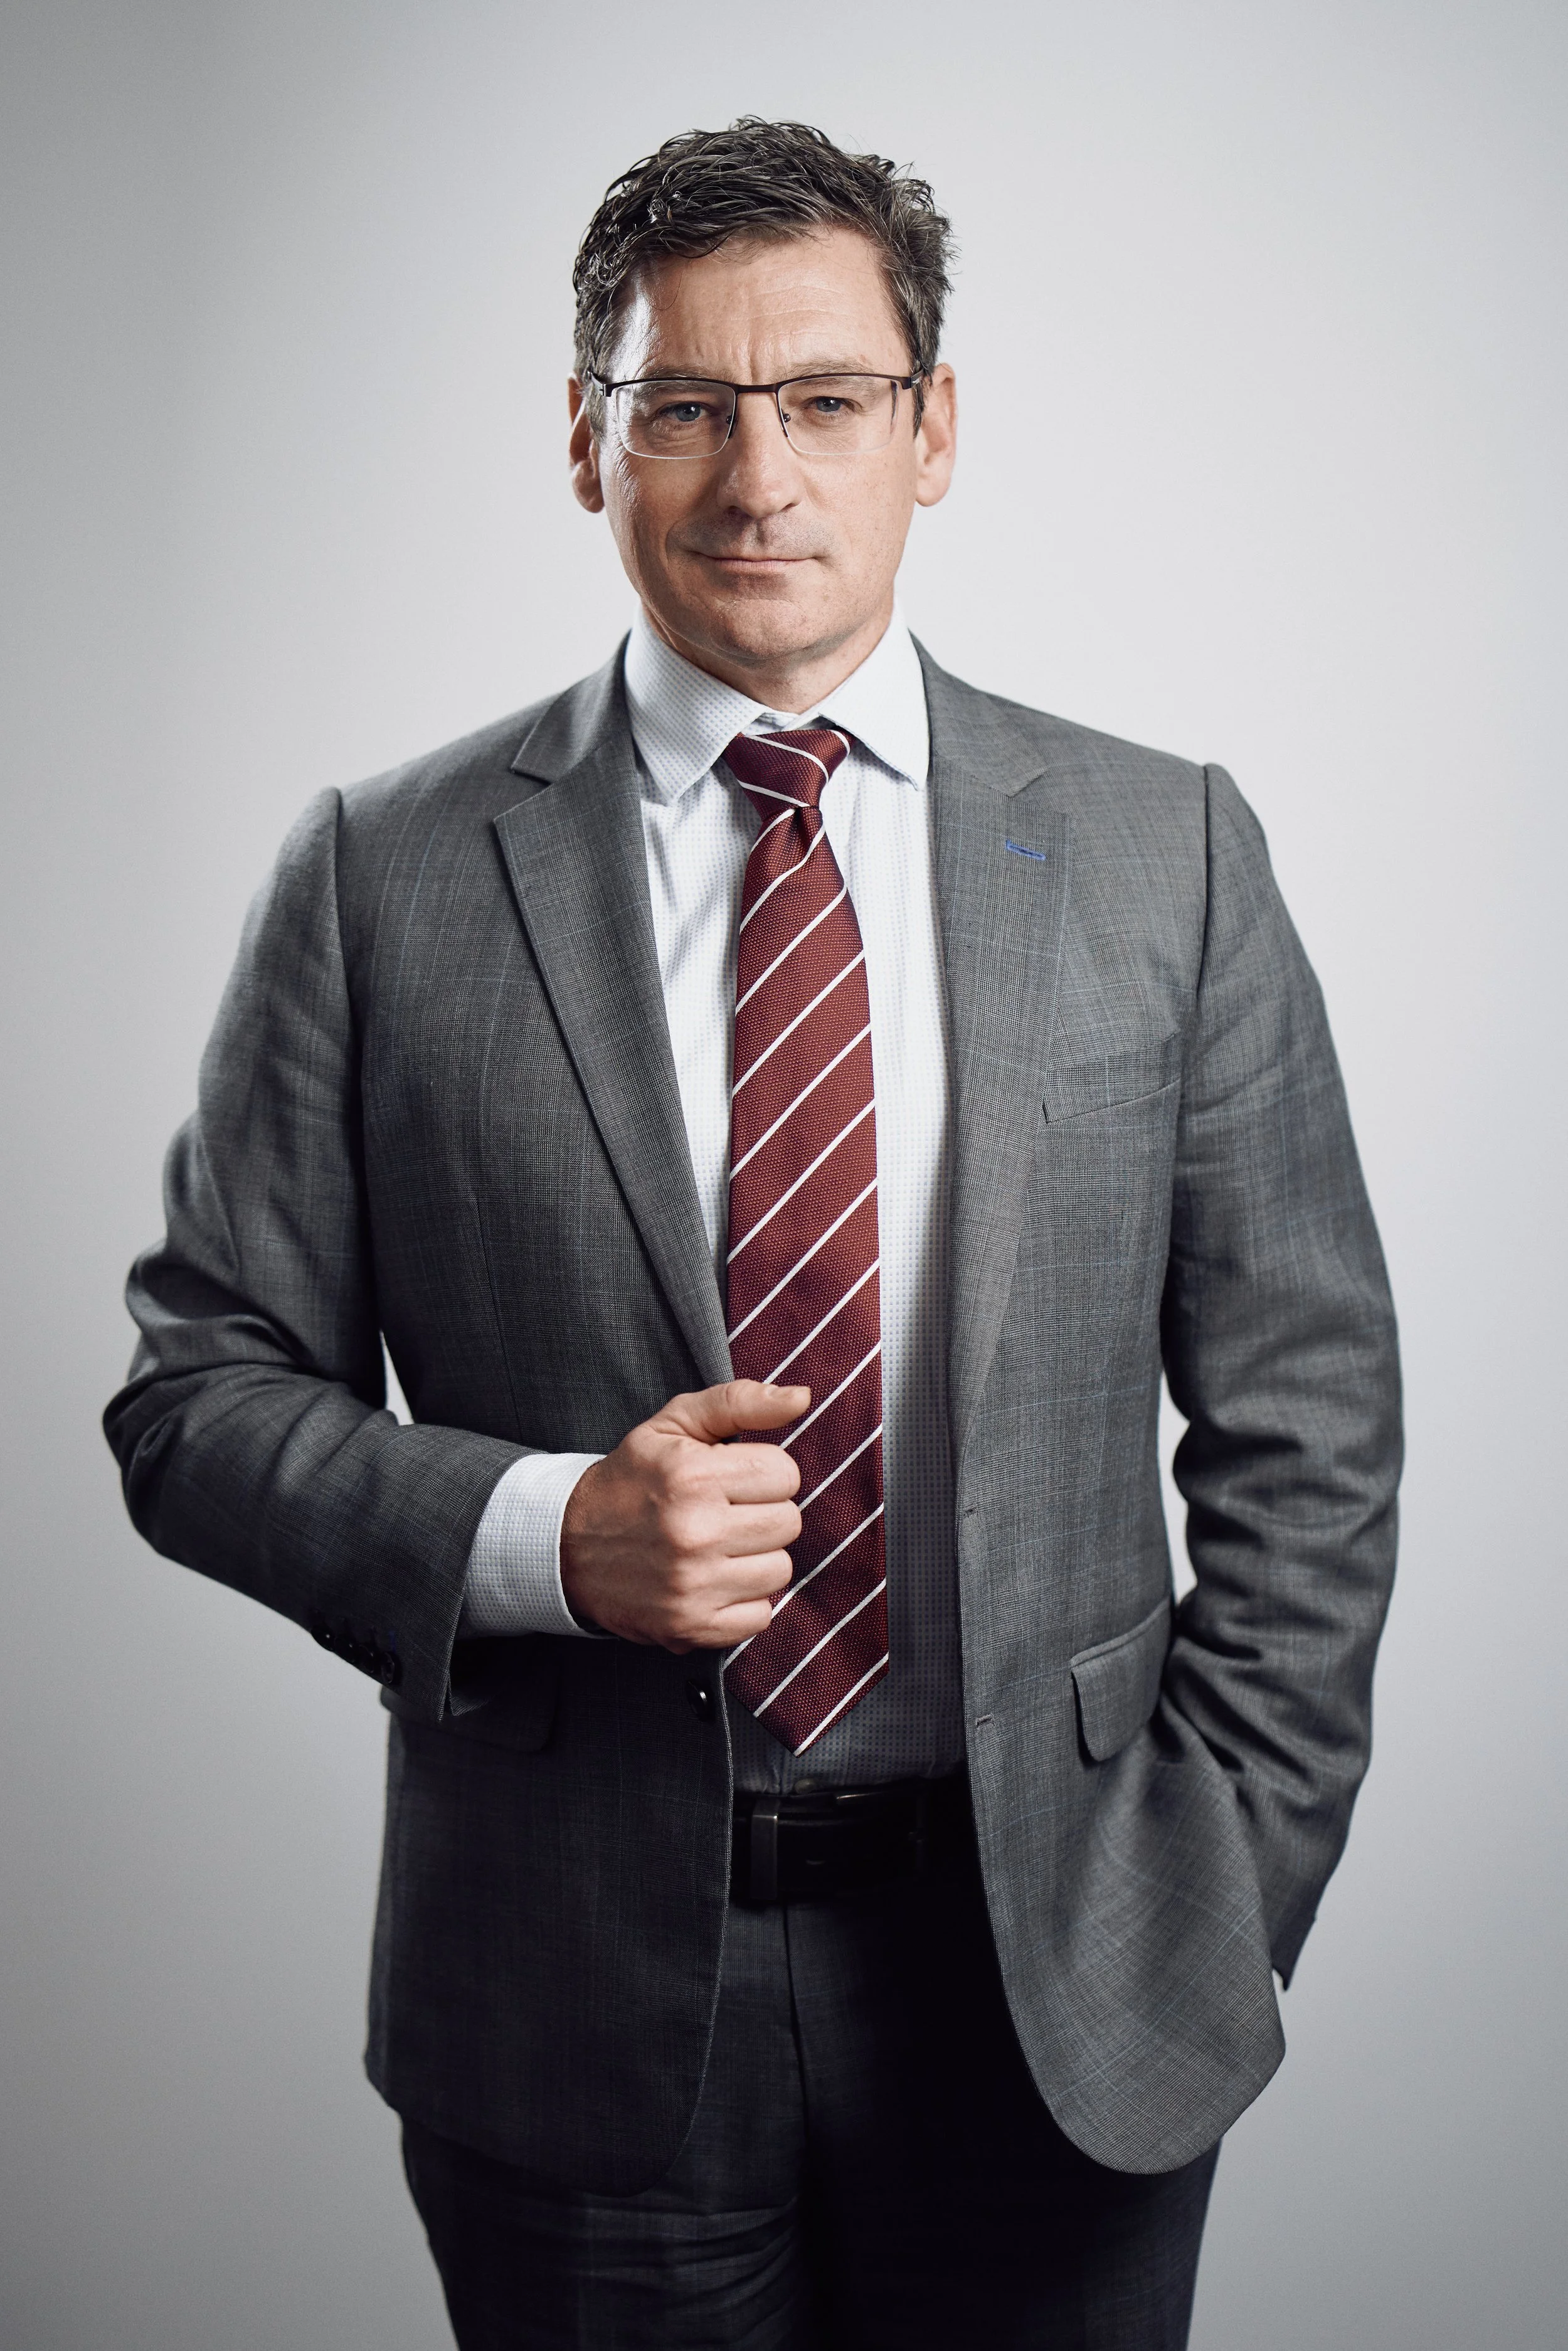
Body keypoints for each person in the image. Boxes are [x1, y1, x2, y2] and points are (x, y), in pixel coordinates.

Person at [105, 117, 1401, 2351]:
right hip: (578, 2002)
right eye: (680, 406)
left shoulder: (1161, 851)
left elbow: (1312, 1422)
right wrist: (542, 1535)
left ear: (934, 431)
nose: (754, 476)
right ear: (583, 442)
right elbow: (196, 1403)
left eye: (822, 401)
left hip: (1057, 1981)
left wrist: (1217, 1893)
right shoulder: (377, 874)